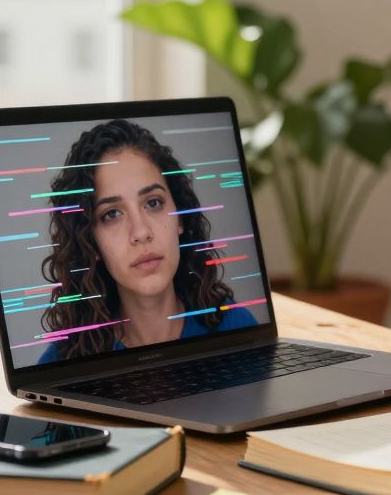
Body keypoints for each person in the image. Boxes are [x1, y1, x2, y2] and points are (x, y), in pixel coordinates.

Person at [36, 119, 256, 363]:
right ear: (91, 242)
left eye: (153, 203)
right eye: (112, 214)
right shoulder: (64, 365)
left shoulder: (236, 330)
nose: (141, 232)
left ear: (180, 218)